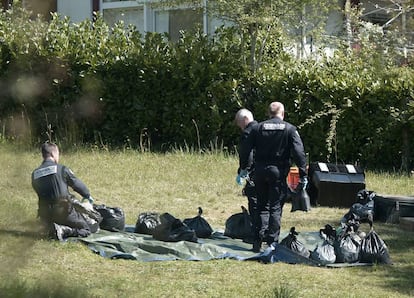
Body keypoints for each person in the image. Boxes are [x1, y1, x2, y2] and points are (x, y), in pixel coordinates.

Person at [238, 102, 308, 252]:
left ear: (268, 113)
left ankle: (257, 241)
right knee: (275, 208)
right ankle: (272, 243)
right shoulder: (290, 129)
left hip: (260, 172)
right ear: (282, 113)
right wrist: (303, 173)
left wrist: (243, 169)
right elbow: (299, 153)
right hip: (278, 173)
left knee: (262, 206)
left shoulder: (257, 128)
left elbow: (246, 149)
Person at [31, 142, 100, 240]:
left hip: (45, 214)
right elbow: (77, 185)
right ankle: (65, 230)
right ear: (53, 154)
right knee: (86, 229)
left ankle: (50, 227)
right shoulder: (62, 169)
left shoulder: (35, 174)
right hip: (63, 211)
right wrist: (87, 195)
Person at [235, 108, 267, 241]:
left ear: (245, 119)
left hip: (254, 172)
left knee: (254, 201)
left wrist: (244, 170)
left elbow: (247, 154)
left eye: (239, 124)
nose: (240, 127)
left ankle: (257, 233)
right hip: (268, 170)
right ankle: (266, 231)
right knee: (267, 203)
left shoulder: (249, 132)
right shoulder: (263, 129)